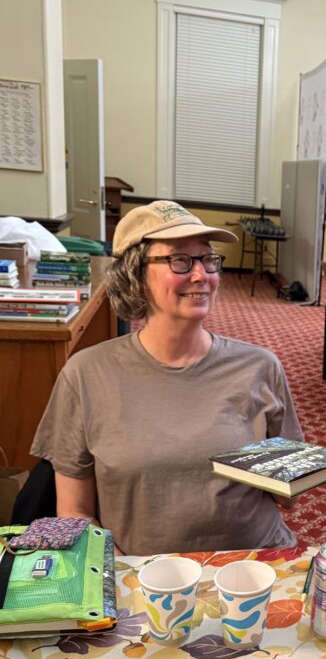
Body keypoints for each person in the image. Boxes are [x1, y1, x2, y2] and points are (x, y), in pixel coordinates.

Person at [32, 200, 302, 556]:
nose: (201, 274)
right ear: (135, 275)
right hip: (143, 574)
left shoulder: (260, 366)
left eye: (208, 259)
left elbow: (290, 492)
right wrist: (122, 577)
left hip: (253, 566)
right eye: (180, 260)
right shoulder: (86, 375)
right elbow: (75, 512)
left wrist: (289, 478)